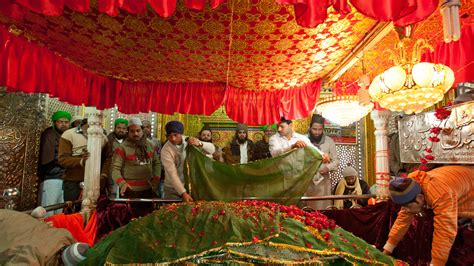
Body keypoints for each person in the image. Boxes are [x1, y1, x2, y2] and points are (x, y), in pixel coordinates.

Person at [383, 165, 474, 266]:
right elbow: (402, 219)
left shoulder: (440, 194)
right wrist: (386, 251)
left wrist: (436, 263)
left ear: (420, 198)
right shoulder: (412, 185)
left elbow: (444, 232)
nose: (406, 210)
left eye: (407, 207)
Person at [160, 121, 215, 203]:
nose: (173, 139)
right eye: (169, 136)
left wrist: (200, 143)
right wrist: (183, 193)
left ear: (181, 134)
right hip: (173, 189)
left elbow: (212, 150)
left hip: (190, 186)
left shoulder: (188, 140)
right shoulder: (166, 150)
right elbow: (172, 174)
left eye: (175, 135)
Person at [59, 118, 108, 204]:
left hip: (96, 182)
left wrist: (103, 175)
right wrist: (81, 161)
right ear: (87, 122)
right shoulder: (69, 134)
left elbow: (107, 158)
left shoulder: (103, 137)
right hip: (73, 182)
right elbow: (63, 159)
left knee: (93, 211)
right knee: (72, 212)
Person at [111, 117, 161, 199]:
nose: (135, 134)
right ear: (128, 132)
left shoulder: (150, 146)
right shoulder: (122, 148)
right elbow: (115, 169)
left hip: (148, 190)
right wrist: (122, 184)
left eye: (138, 130)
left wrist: (156, 180)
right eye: (132, 131)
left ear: (142, 130)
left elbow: (157, 164)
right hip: (128, 190)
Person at [37, 111, 71, 216]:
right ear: (54, 122)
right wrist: (68, 162)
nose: (64, 124)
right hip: (52, 176)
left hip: (66, 178)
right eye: (60, 122)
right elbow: (49, 157)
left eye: (66, 122)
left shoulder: (69, 136)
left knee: (60, 209)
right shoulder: (49, 134)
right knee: (49, 209)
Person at [305, 114, 339, 210]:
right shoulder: (304, 140)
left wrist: (328, 168)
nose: (317, 132)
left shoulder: (329, 141)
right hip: (306, 181)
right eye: (314, 129)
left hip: (323, 183)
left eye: (319, 129)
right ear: (309, 127)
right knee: (306, 210)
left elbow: (336, 161)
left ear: (323, 129)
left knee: (322, 210)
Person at [102, 118, 128, 197]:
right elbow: (104, 157)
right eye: (119, 128)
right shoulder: (107, 140)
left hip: (125, 172)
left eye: (124, 128)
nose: (121, 130)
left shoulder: (130, 141)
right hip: (111, 171)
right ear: (114, 128)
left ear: (127, 130)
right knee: (111, 193)